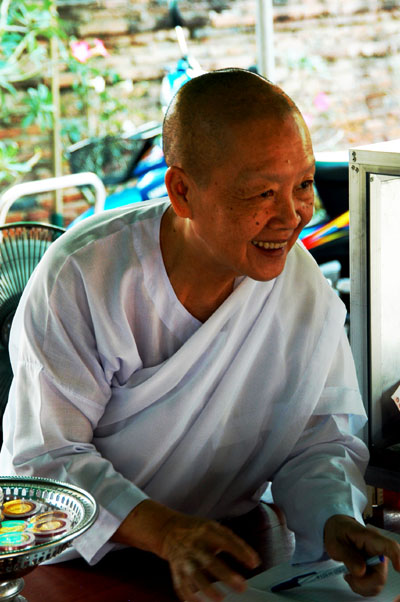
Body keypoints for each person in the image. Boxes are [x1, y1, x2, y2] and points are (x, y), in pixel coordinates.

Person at [1, 68, 400, 602]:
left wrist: (333, 518)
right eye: (261, 191)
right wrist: (165, 533)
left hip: (225, 548)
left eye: (302, 184)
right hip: (84, 561)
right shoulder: (85, 277)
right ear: (182, 191)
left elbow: (320, 437)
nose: (291, 217)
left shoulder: (300, 286)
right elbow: (48, 461)